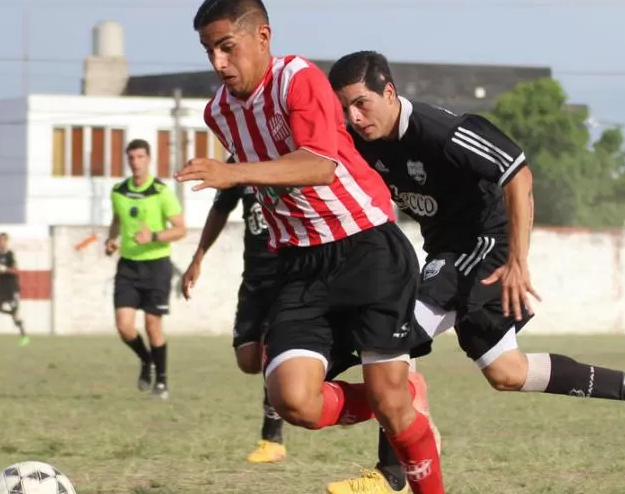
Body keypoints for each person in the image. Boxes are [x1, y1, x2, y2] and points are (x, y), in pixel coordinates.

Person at [322, 50, 625, 494]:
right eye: (345, 108)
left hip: (487, 243)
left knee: (397, 328)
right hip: (448, 252)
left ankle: (392, 475)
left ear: (389, 92)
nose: (355, 117)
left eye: (362, 104)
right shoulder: (361, 142)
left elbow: (519, 174)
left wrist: (518, 262)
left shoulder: (441, 131)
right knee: (506, 371)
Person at [175, 0, 456, 494]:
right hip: (302, 261)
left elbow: (320, 167)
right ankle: (398, 399)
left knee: (387, 398)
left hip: (368, 248)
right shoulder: (218, 111)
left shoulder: (298, 79)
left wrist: (233, 175)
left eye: (227, 47)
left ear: (263, 36)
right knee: (292, 399)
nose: (218, 63)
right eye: (208, 52)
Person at [181, 169, 442, 466]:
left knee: (279, 356)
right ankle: (389, 397)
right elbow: (219, 209)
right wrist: (198, 256)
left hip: (295, 271)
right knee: (248, 359)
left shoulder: (302, 157)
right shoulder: (239, 157)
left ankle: (272, 437)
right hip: (255, 276)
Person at [106, 138, 187, 399]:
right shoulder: (118, 191)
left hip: (156, 266)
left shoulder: (162, 192)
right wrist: (111, 239)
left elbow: (180, 229)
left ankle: (161, 381)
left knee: (153, 326)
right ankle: (146, 361)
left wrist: (152, 236)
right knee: (124, 326)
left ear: (148, 159)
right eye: (131, 158)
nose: (136, 162)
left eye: (141, 157)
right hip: (128, 266)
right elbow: (116, 220)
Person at [0, 232, 28, 346]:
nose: (1, 243)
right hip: (1, 286)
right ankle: (10, 312)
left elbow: (15, 271)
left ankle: (24, 336)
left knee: (16, 318)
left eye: (3, 241)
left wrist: (3, 268)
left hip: (11, 287)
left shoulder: (10, 254)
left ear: (6, 242)